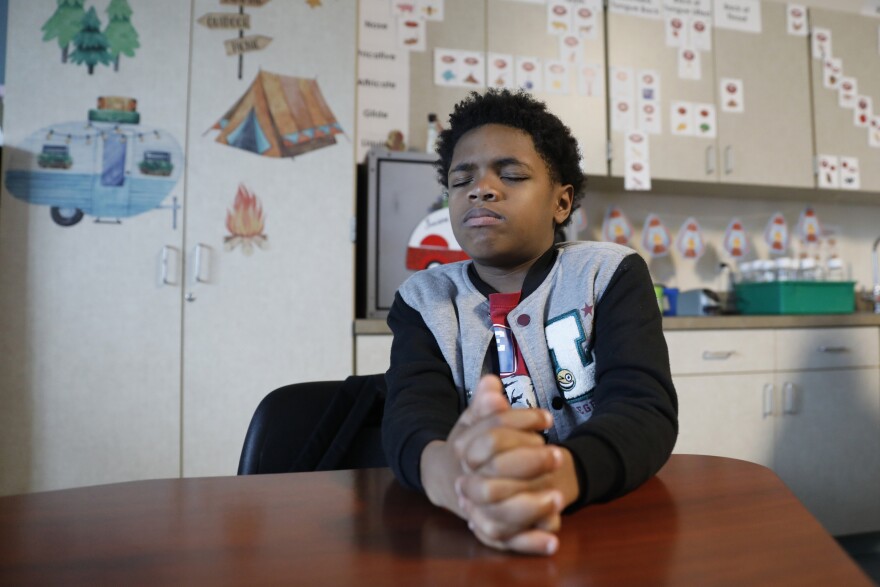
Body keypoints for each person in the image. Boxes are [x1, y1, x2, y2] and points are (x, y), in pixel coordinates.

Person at [381, 88, 677, 556]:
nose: (481, 188)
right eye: (462, 181)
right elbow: (410, 417)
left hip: (599, 524)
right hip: (466, 530)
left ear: (561, 203)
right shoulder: (424, 300)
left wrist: (558, 478)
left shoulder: (607, 274)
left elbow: (644, 410)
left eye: (512, 174)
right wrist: (453, 482)